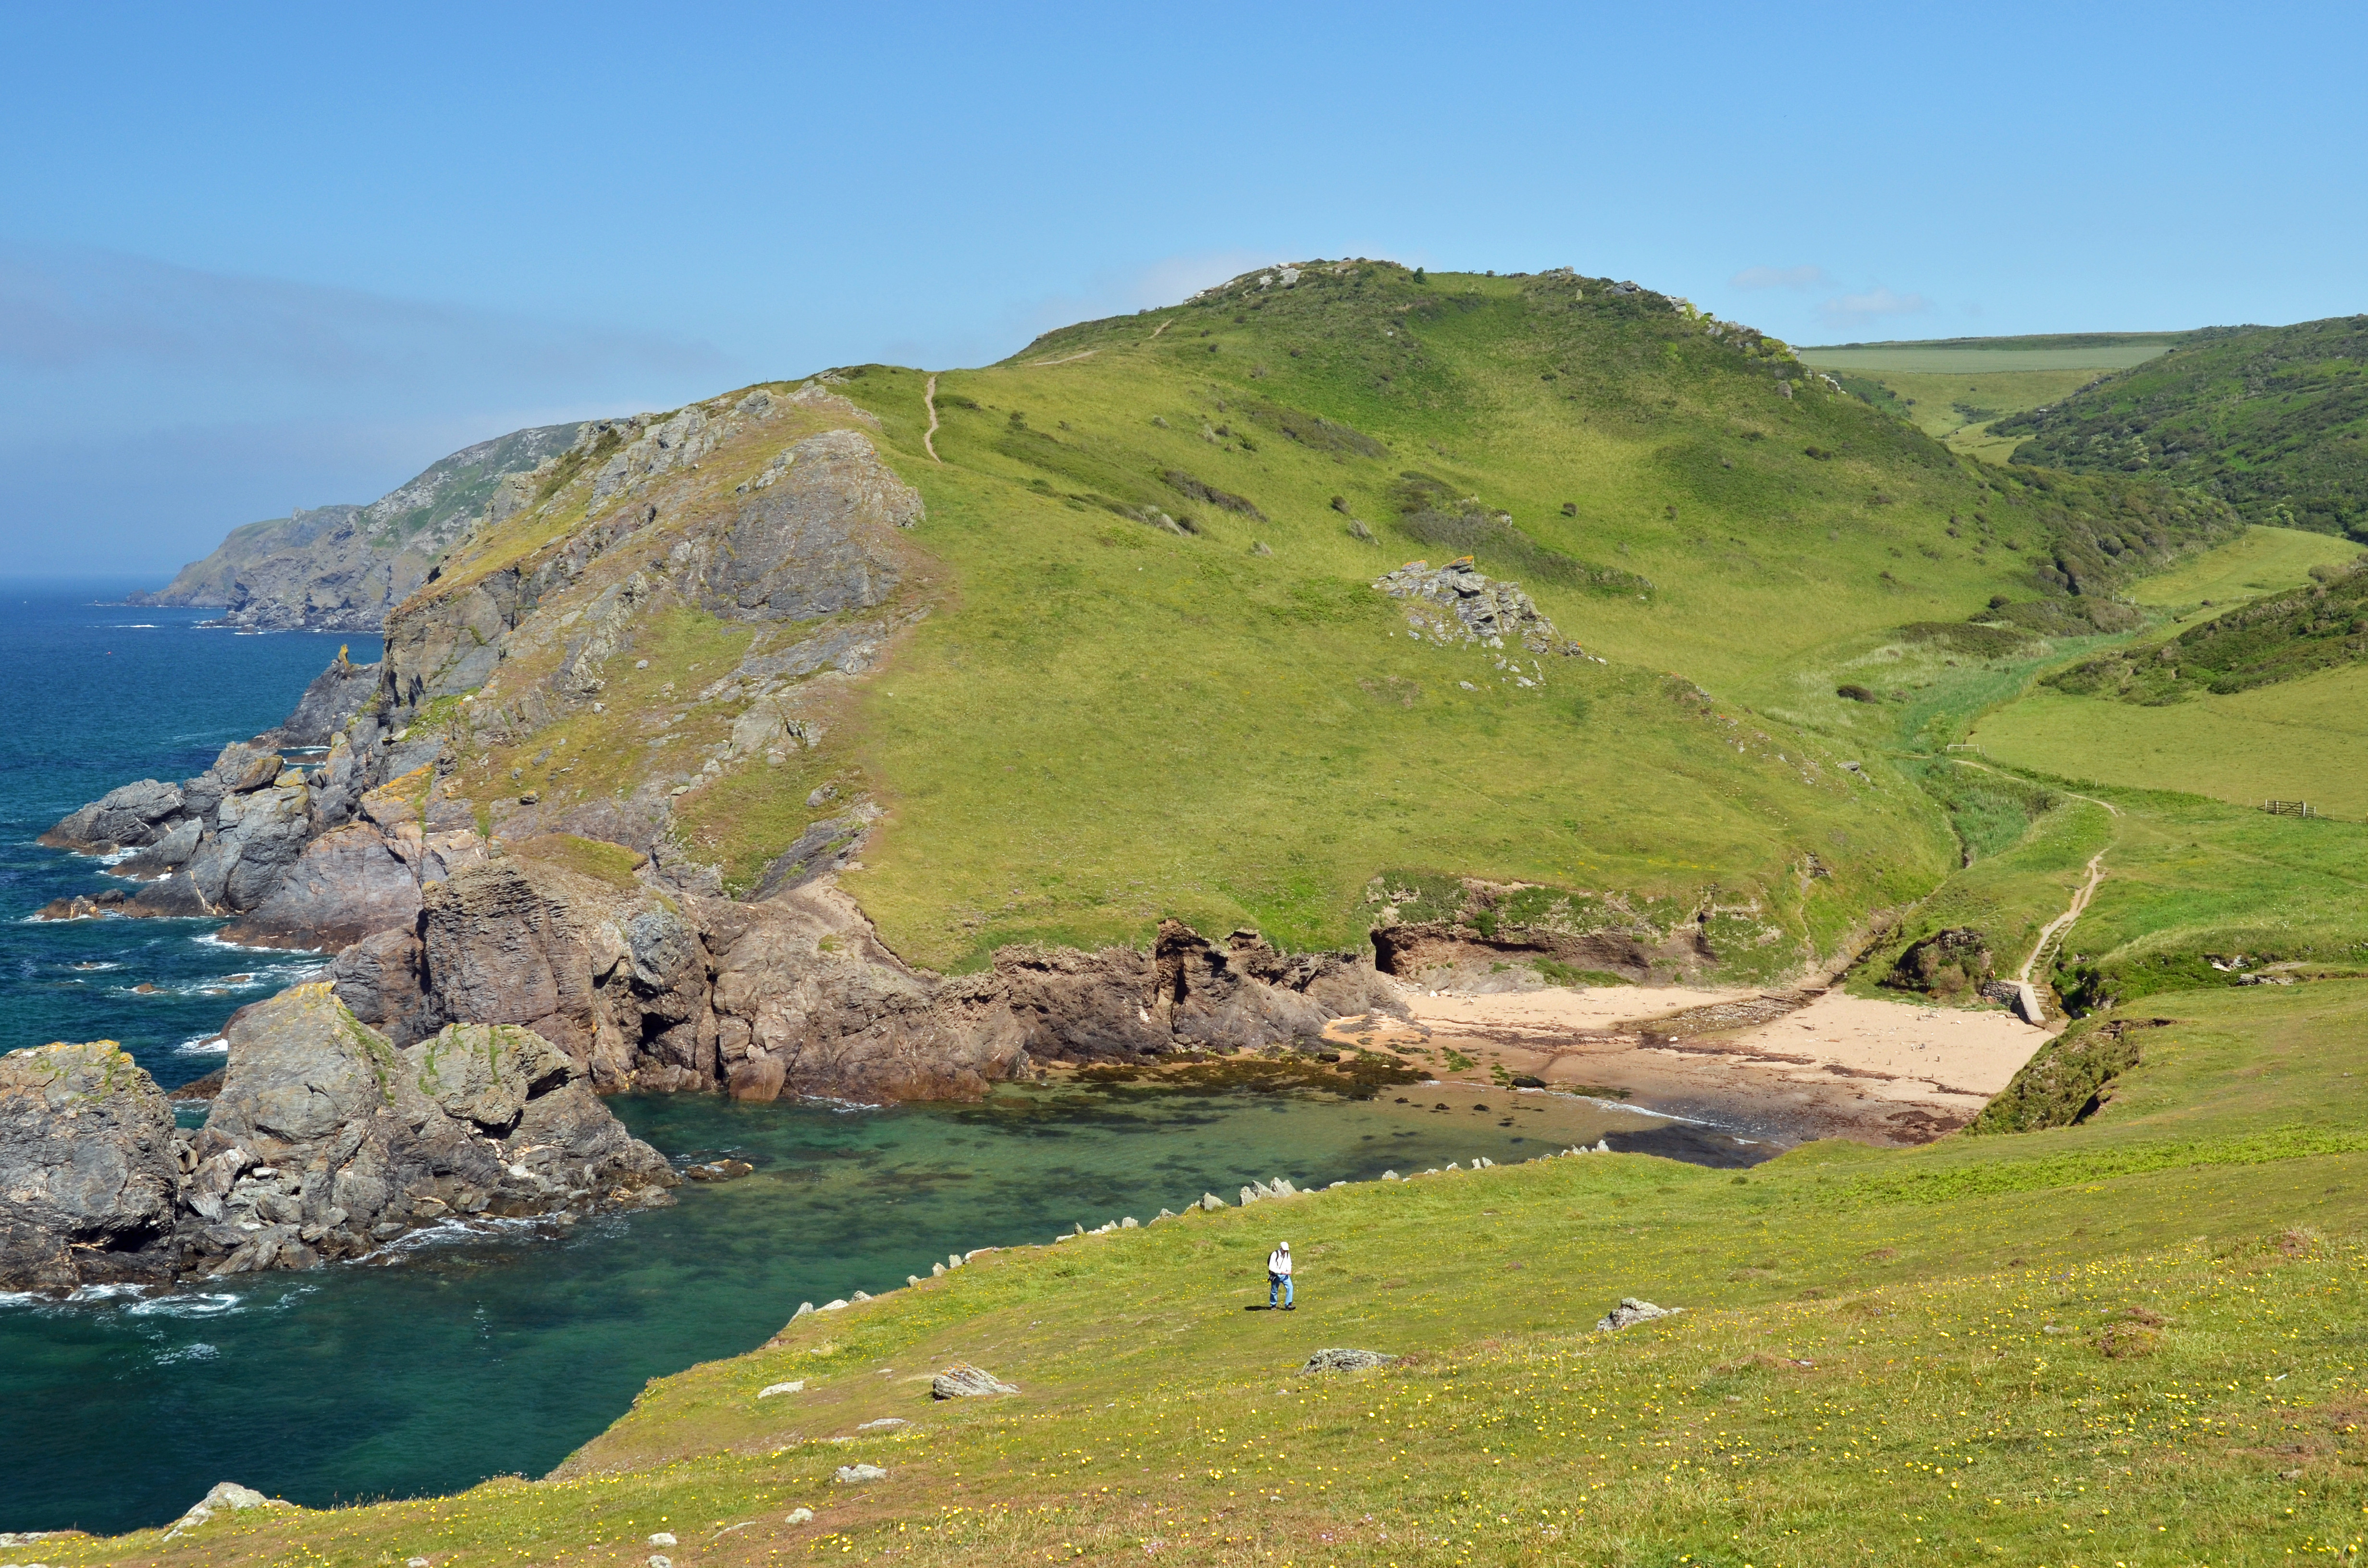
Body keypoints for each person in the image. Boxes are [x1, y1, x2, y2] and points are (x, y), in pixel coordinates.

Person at [1267, 1241, 1294, 1310]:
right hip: (1277, 1275)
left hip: (1285, 1276)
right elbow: (1271, 1267)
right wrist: (1280, 1272)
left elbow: (1289, 1263)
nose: (1285, 1252)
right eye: (1284, 1250)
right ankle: (1273, 1305)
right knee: (1274, 1291)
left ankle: (1288, 1305)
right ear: (1281, 1248)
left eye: (1286, 1250)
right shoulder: (1275, 1254)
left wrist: (1289, 1270)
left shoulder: (1287, 1255)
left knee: (1290, 1287)